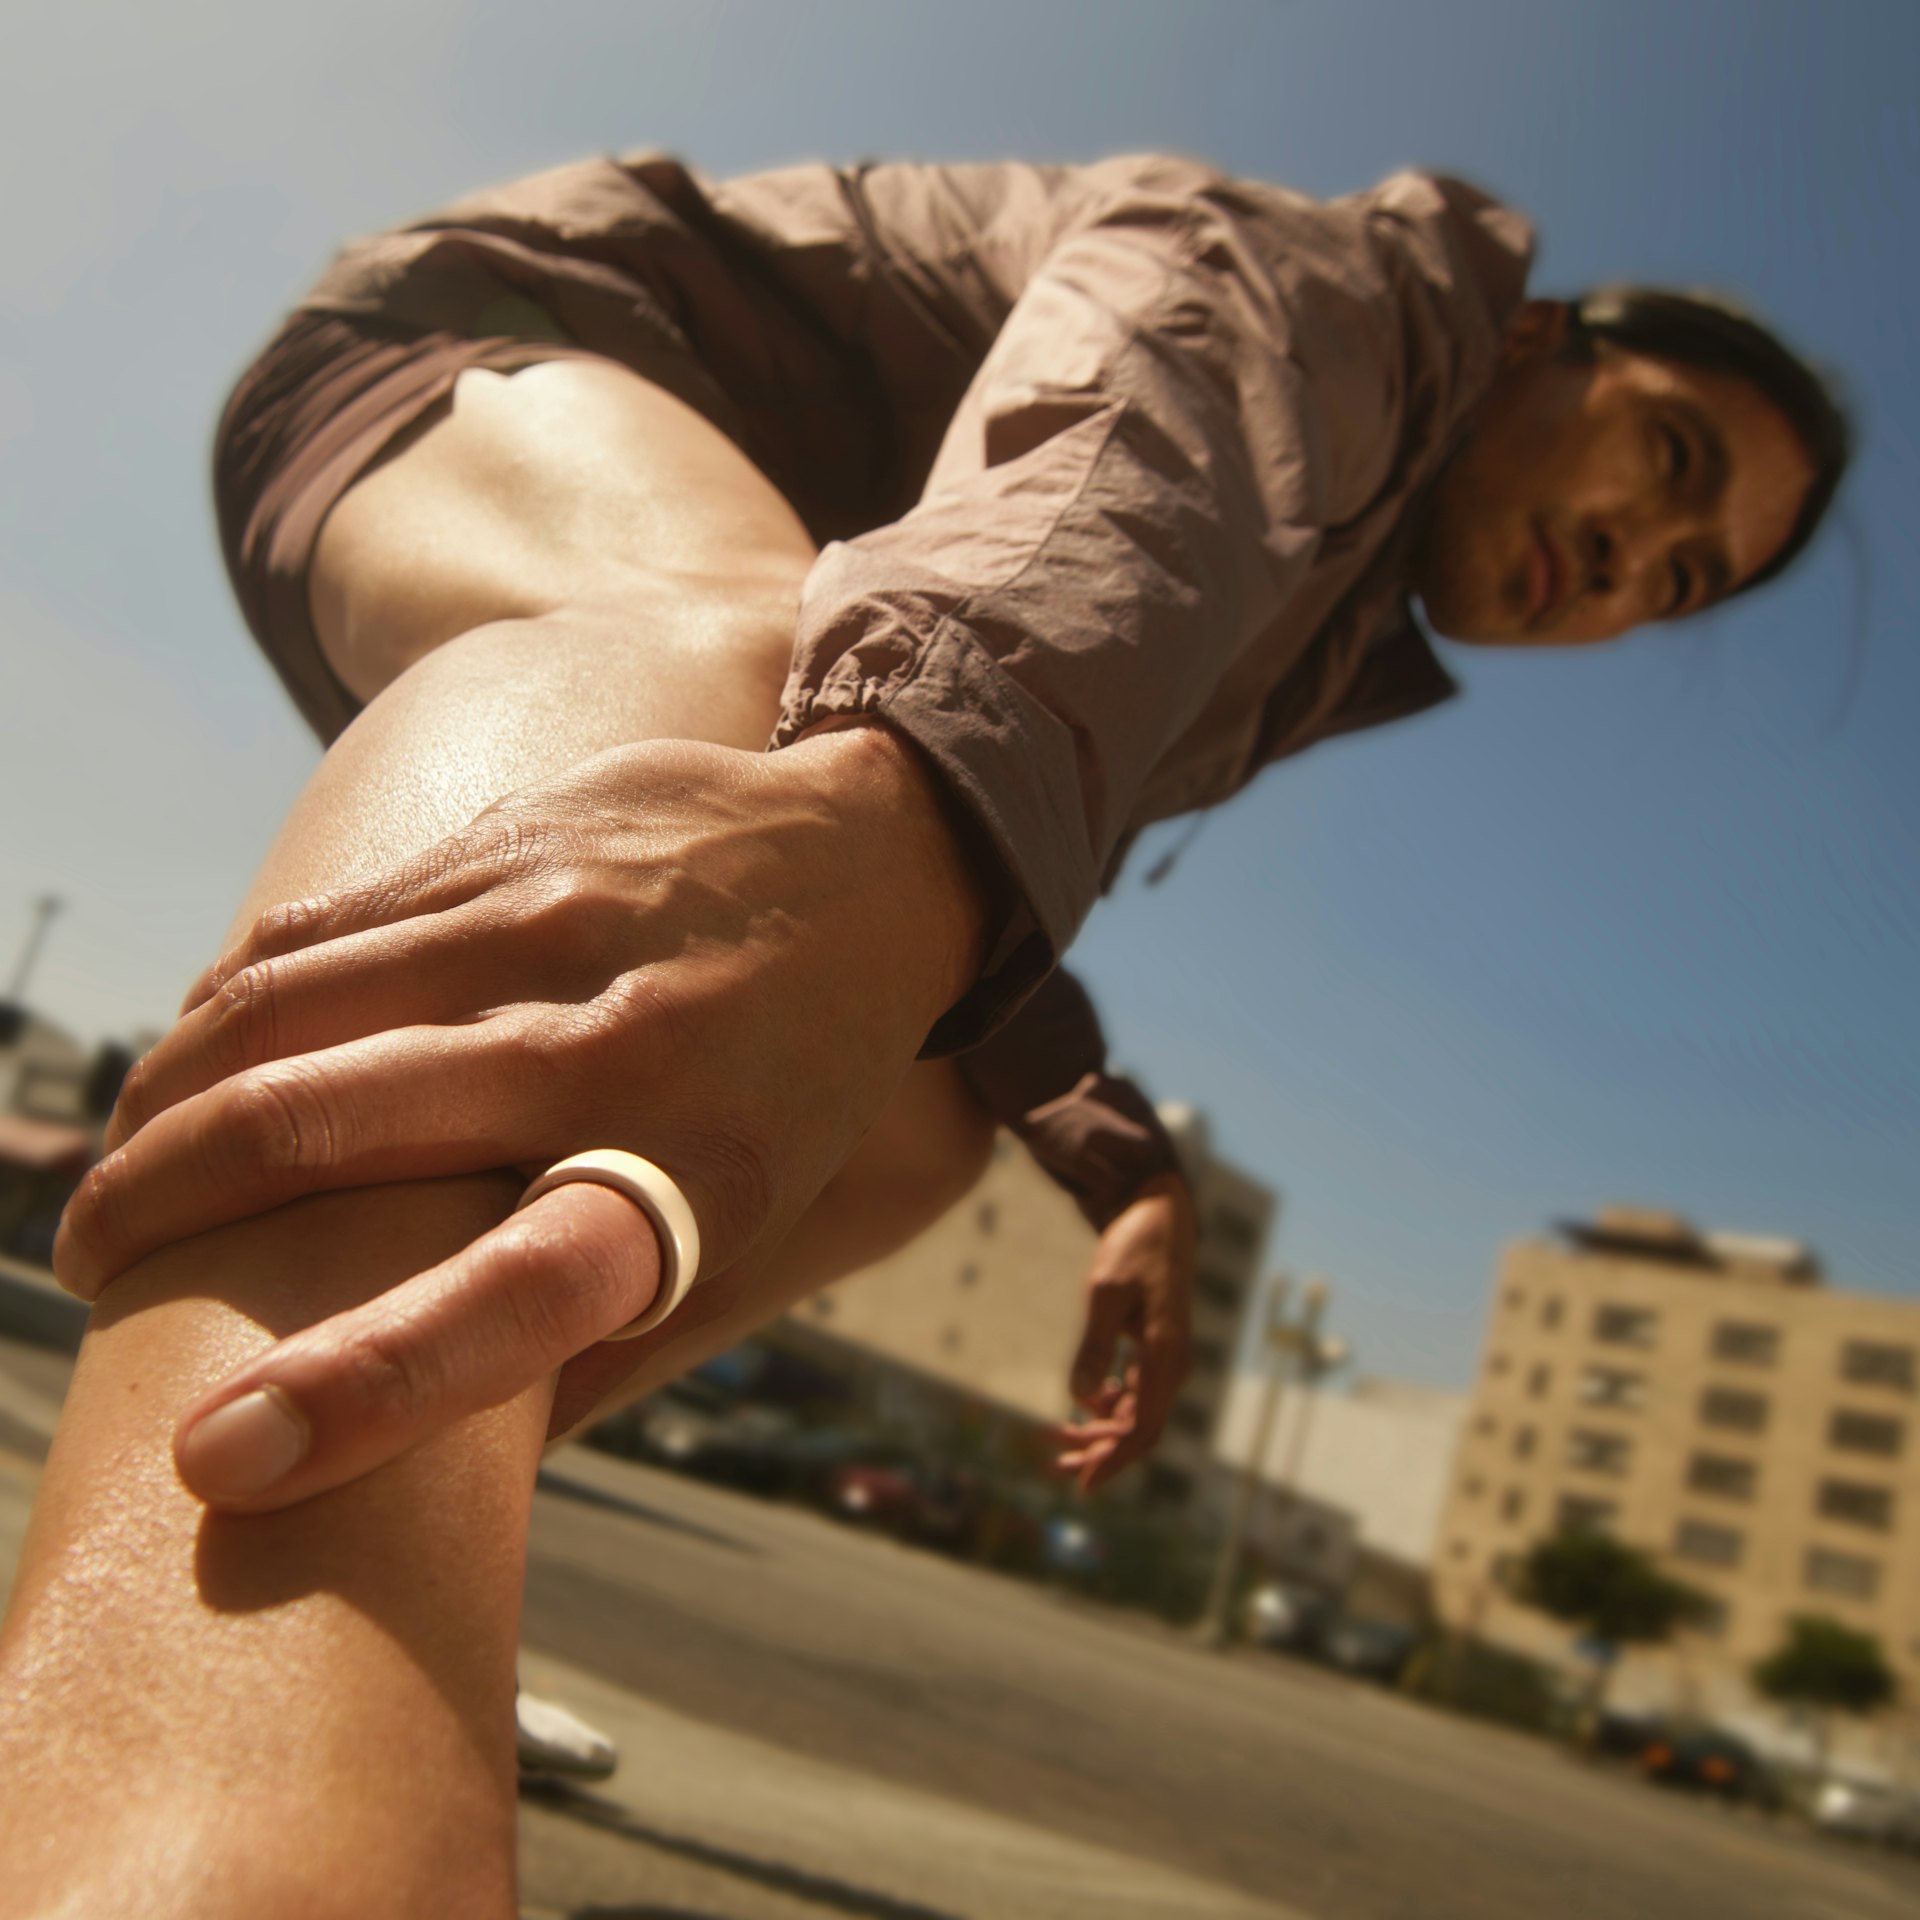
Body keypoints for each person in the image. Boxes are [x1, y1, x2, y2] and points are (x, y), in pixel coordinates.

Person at [0, 148, 1845, 1916]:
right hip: (475, 359)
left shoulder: (1324, 629)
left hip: (746, 664)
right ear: (1542, 346)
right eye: (1665, 465)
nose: (1625, 558)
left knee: (912, 1127)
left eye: (1676, 583)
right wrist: (900, 803)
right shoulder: (1349, 288)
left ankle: (386, 1561)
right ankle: (177, 1774)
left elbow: (984, 865)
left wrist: (1115, 1159)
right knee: (743, 674)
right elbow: (1140, 432)